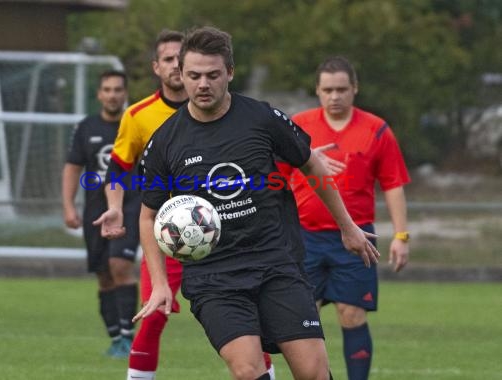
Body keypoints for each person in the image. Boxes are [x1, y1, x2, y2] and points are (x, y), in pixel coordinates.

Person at [131, 26, 380, 380]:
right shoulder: (166, 142)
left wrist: (347, 226)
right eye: (194, 75)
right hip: (214, 277)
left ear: (230, 73)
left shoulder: (261, 118)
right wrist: (158, 283)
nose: (203, 84)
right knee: (249, 370)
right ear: (180, 76)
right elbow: (149, 215)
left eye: (213, 75)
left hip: (276, 264)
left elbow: (312, 163)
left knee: (313, 371)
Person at [279, 56, 411, 380]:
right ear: (317, 91)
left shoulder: (376, 129)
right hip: (304, 238)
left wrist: (401, 236)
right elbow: (275, 178)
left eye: (341, 89)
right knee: (301, 322)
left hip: (355, 238)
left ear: (355, 89)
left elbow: (393, 184)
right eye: (327, 90)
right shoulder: (298, 126)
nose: (334, 96)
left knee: (352, 314)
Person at [62, 70, 139, 358]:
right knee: (104, 274)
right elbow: (72, 167)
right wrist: (69, 206)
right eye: (107, 89)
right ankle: (116, 337)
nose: (112, 95)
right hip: (95, 208)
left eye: (118, 89)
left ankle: (128, 337)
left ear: (125, 93)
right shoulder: (86, 127)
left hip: (129, 204)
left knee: (120, 265)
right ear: (99, 94)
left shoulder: (134, 124)